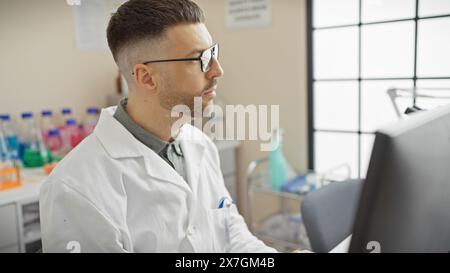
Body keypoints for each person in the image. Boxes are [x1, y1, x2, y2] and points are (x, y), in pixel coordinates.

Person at [39, 0, 277, 253]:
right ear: (146, 78)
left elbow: (232, 235)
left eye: (213, 53)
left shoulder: (200, 144)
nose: (217, 70)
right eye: (200, 59)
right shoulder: (75, 187)